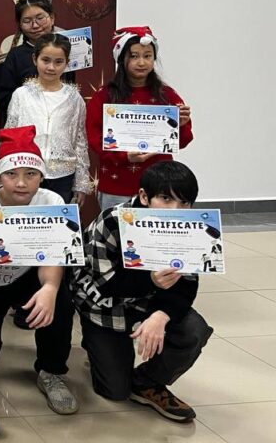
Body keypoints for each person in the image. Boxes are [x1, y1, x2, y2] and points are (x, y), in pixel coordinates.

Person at [72, 161, 212, 422]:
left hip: (149, 303)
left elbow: (187, 285)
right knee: (115, 390)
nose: (175, 211)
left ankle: (147, 382)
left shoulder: (190, 228)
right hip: (103, 304)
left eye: (184, 203)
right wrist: (151, 282)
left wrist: (161, 315)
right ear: (144, 197)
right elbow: (105, 284)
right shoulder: (112, 221)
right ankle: (95, 343)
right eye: (166, 199)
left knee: (194, 330)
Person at [0, 126, 77, 416]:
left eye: (31, 174)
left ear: (42, 176)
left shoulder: (52, 202)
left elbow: (56, 253)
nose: (21, 183)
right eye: (11, 174)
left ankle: (51, 371)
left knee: (60, 300)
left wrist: (50, 288)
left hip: (28, 277)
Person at [86, 27, 193, 213]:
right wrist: (124, 156)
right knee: (116, 229)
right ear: (121, 59)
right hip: (116, 183)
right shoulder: (104, 96)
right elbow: (94, 139)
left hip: (159, 187)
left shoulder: (167, 95)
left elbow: (182, 141)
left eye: (147, 56)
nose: (141, 62)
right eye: (134, 56)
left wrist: (181, 125)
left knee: (156, 230)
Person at [5, 34, 92, 205]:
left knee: (58, 219)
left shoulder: (74, 99)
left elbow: (80, 142)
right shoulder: (21, 95)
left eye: (58, 62)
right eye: (45, 60)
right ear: (35, 59)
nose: (51, 67)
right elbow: (10, 134)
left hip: (62, 176)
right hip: (26, 172)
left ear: (67, 63)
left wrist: (81, 183)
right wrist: (7, 172)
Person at [0, 0, 75, 120]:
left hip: (59, 118)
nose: (35, 25)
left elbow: (70, 87)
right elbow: (5, 97)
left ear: (52, 18)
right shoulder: (15, 55)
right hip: (26, 121)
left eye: (40, 18)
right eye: (27, 21)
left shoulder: (63, 50)